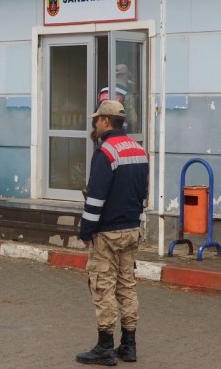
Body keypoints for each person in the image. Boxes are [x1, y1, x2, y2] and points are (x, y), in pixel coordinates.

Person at [75, 100, 148, 366]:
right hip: (131, 229)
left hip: (107, 233)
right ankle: (129, 345)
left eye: (96, 120)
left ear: (106, 121)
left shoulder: (106, 152)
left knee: (102, 286)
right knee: (127, 286)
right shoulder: (139, 150)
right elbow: (143, 194)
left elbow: (95, 198)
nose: (94, 124)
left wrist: (86, 230)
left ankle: (105, 347)